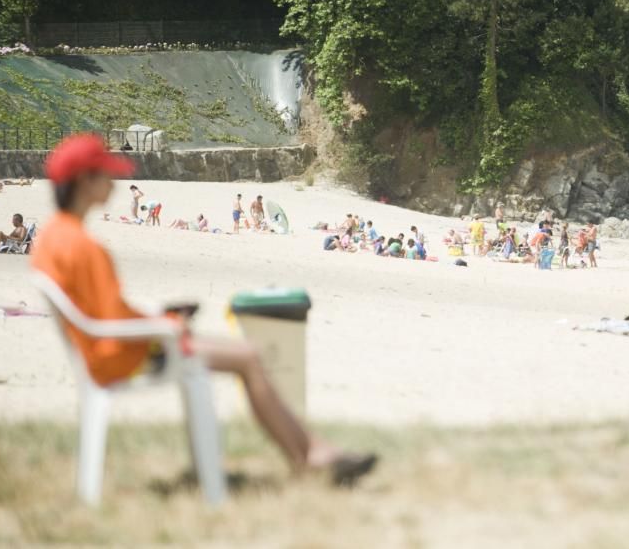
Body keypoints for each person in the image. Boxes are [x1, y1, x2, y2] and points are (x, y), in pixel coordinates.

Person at [31, 134, 376, 484]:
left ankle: (313, 453)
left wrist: (160, 316)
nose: (113, 182)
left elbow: (101, 312)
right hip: (122, 354)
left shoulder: (52, 236)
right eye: (105, 174)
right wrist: (167, 324)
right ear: (84, 181)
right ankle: (310, 456)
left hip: (105, 348)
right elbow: (111, 317)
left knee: (247, 355)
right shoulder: (84, 246)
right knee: (249, 358)